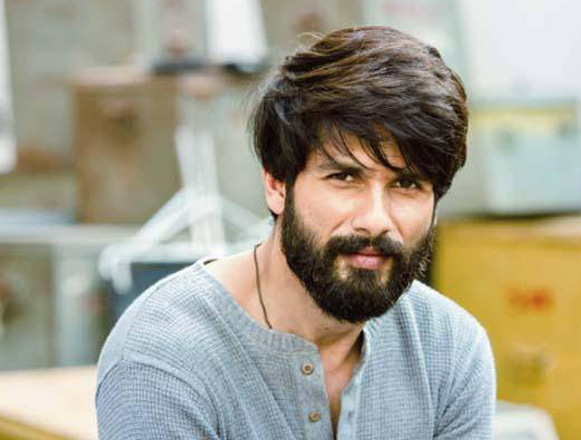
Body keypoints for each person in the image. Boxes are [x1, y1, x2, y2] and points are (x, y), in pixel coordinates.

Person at [96, 26, 495, 439]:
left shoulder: (448, 348)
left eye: (407, 184)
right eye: (345, 177)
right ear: (277, 184)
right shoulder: (165, 356)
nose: (376, 220)